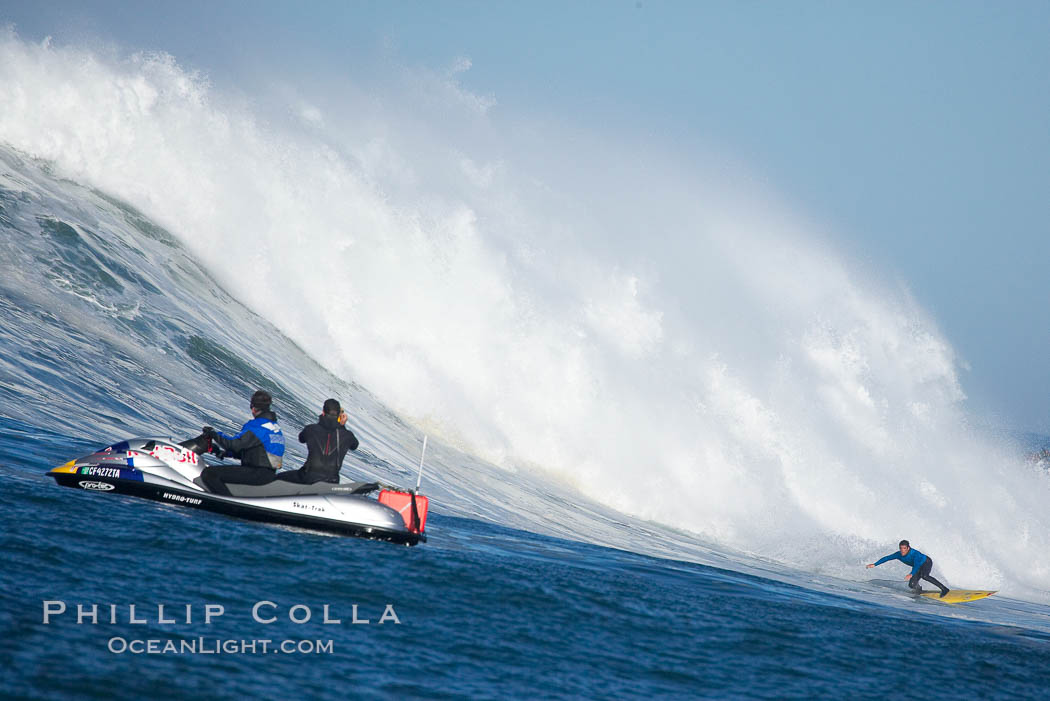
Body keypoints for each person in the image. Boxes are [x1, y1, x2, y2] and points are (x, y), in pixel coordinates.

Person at [199, 389, 285, 496]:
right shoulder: (275, 428)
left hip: (256, 473)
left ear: (253, 408)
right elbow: (259, 454)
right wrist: (226, 453)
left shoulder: (257, 426)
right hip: (268, 474)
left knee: (209, 473)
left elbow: (233, 445)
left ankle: (228, 503)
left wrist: (213, 434)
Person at [275, 398, 359, 484]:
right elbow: (354, 446)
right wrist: (341, 426)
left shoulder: (311, 429)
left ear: (323, 412)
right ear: (339, 416)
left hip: (307, 477)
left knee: (278, 478)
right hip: (332, 480)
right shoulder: (347, 435)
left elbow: (301, 438)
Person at [866, 540, 950, 598]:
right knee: (912, 585)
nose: (902, 550)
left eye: (904, 548)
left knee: (925, 576)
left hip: (926, 562)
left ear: (908, 548)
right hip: (917, 566)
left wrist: (911, 574)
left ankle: (944, 589)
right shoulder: (898, 554)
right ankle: (919, 589)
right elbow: (887, 558)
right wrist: (875, 564)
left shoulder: (914, 554)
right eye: (901, 548)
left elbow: (916, 565)